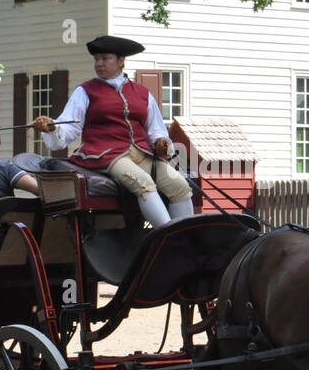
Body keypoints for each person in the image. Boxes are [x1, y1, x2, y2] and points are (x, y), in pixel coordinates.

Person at [31, 34, 192, 228]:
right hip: (107, 155)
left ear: (121, 61)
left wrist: (161, 142)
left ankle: (185, 240)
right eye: (96, 59)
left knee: (181, 186)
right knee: (143, 183)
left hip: (143, 154)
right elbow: (69, 126)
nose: (99, 64)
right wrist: (52, 126)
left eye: (105, 58)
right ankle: (165, 240)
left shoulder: (142, 93)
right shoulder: (85, 91)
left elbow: (156, 129)